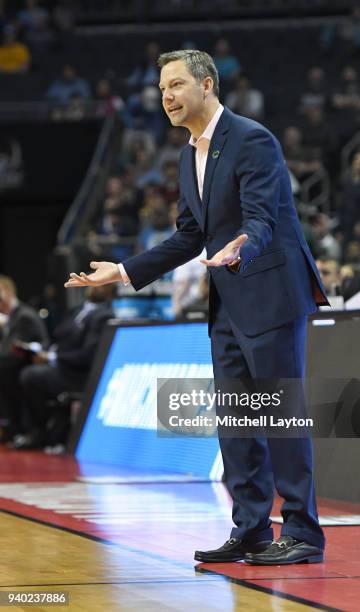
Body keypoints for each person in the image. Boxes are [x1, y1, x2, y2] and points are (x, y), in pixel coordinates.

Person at [65, 49, 328, 565]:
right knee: (236, 422)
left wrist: (242, 245)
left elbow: (263, 219)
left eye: (177, 85)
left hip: (271, 295)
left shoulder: (252, 139)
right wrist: (122, 271)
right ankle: (251, 529)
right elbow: (190, 236)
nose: (166, 96)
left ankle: (303, 533)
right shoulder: (189, 155)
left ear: (207, 85)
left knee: (278, 417)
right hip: (227, 303)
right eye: (162, 88)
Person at [14, 285, 115, 449]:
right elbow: (56, 336)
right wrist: (40, 349)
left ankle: (40, 431)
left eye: (101, 285)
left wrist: (52, 357)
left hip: (75, 374)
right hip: (58, 364)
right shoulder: (76, 310)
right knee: (15, 367)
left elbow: (87, 355)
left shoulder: (104, 316)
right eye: (93, 283)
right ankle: (25, 429)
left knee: (29, 376)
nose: (96, 287)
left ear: (110, 292)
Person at [0, 275, 48, 440]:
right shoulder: (10, 317)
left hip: (27, 364)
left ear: (6, 292)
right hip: (14, 365)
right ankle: (11, 427)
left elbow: (14, 352)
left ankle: (18, 428)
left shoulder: (23, 315)